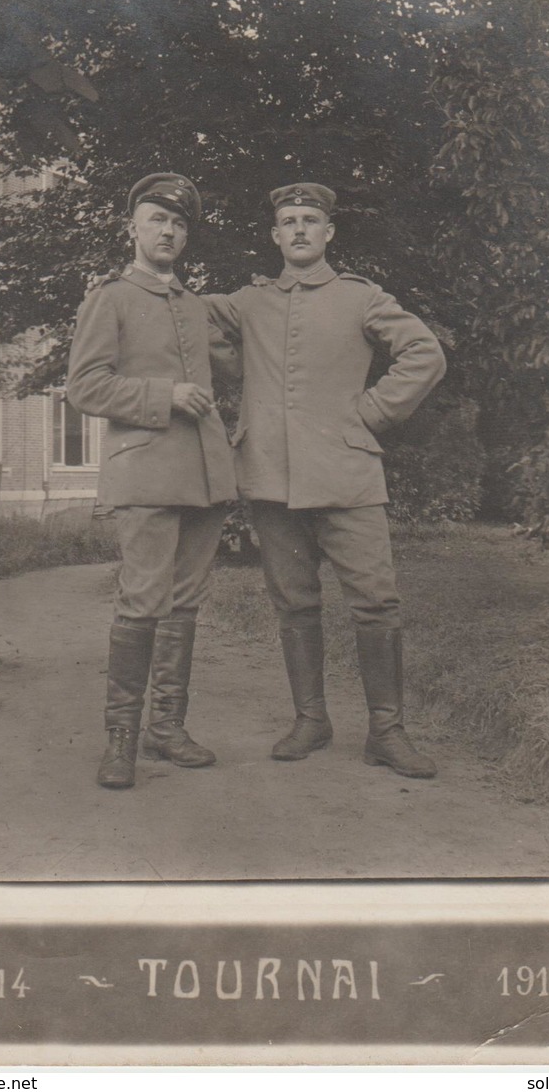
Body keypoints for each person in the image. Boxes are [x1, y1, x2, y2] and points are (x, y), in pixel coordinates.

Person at [206, 182, 447, 778]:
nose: (299, 230)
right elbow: (185, 323)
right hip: (270, 478)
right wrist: (238, 371)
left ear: (329, 231)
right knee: (293, 604)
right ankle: (311, 719)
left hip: (348, 473)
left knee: (377, 603)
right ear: (274, 235)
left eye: (310, 219)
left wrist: (371, 413)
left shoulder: (360, 297)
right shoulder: (248, 303)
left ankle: (387, 732)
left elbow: (425, 352)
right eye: (288, 220)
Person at [66, 173, 239, 789]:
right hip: (144, 470)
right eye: (157, 219)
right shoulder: (109, 298)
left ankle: (167, 728)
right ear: (132, 228)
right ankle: (122, 740)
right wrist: (163, 395)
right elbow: (84, 387)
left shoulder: (194, 304)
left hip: (204, 476)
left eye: (179, 223)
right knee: (142, 602)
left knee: (184, 605)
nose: (168, 231)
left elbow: (243, 363)